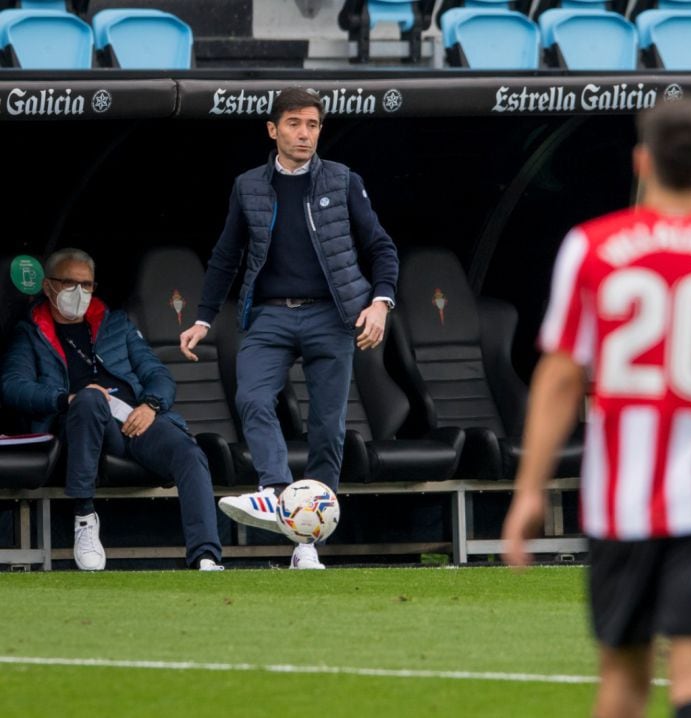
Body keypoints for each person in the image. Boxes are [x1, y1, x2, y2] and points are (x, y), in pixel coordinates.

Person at [502, 97, 691, 718]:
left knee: (624, 685)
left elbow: (558, 376)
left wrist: (528, 491)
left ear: (641, 160)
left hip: (618, 499)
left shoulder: (592, 246)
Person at [178, 87, 399, 570]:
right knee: (252, 398)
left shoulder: (342, 180)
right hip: (270, 315)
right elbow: (225, 255)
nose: (305, 134)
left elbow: (381, 247)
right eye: (295, 123)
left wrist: (380, 303)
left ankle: (306, 543)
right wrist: (202, 317)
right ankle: (275, 492)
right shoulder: (248, 186)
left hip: (332, 315)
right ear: (273, 129)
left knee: (327, 428)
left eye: (313, 125)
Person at [0, 249, 223, 572]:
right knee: (90, 399)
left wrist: (150, 405)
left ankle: (206, 556)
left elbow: (157, 374)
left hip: (133, 419)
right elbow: (12, 385)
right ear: (48, 286)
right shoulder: (30, 331)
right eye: (69, 283)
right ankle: (85, 518)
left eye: (87, 285)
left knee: (188, 452)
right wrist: (66, 399)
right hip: (81, 424)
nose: (80, 292)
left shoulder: (115, 323)